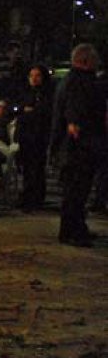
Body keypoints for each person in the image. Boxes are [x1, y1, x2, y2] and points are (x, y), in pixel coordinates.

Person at [55, 44, 106, 246]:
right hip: (79, 148)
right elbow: (75, 113)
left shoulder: (72, 80)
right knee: (75, 192)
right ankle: (72, 232)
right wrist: (75, 127)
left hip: (77, 147)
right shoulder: (79, 83)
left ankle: (76, 228)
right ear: (85, 61)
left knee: (76, 192)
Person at [16, 65, 53, 211]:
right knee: (27, 168)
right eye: (31, 76)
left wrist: (32, 111)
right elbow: (19, 108)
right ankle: (28, 196)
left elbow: (46, 111)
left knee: (37, 168)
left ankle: (35, 198)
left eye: (37, 76)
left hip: (39, 135)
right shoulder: (26, 92)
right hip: (26, 135)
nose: (34, 79)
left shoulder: (47, 94)